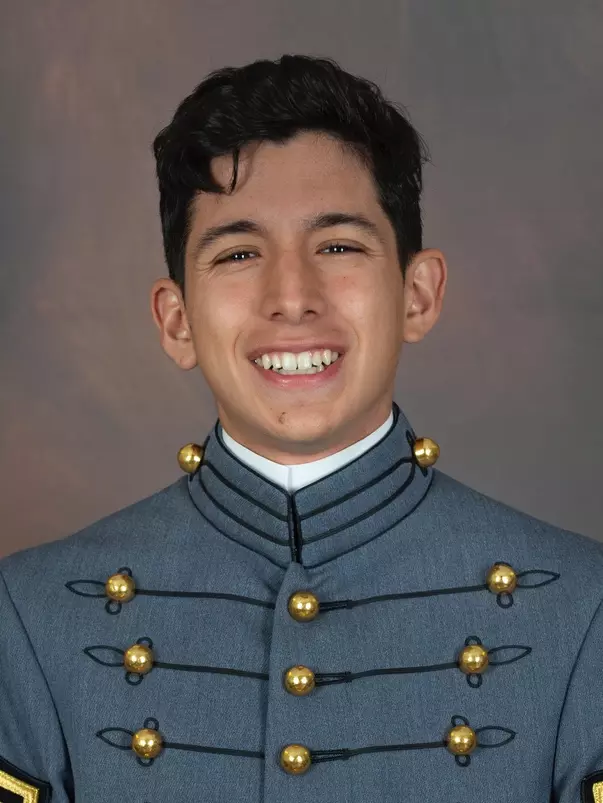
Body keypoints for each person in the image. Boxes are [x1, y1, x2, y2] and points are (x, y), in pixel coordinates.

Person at [0, 53, 601, 803]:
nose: (291, 296)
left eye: (338, 246)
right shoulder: (30, 616)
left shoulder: (584, 611)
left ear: (417, 294)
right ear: (176, 320)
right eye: (238, 253)